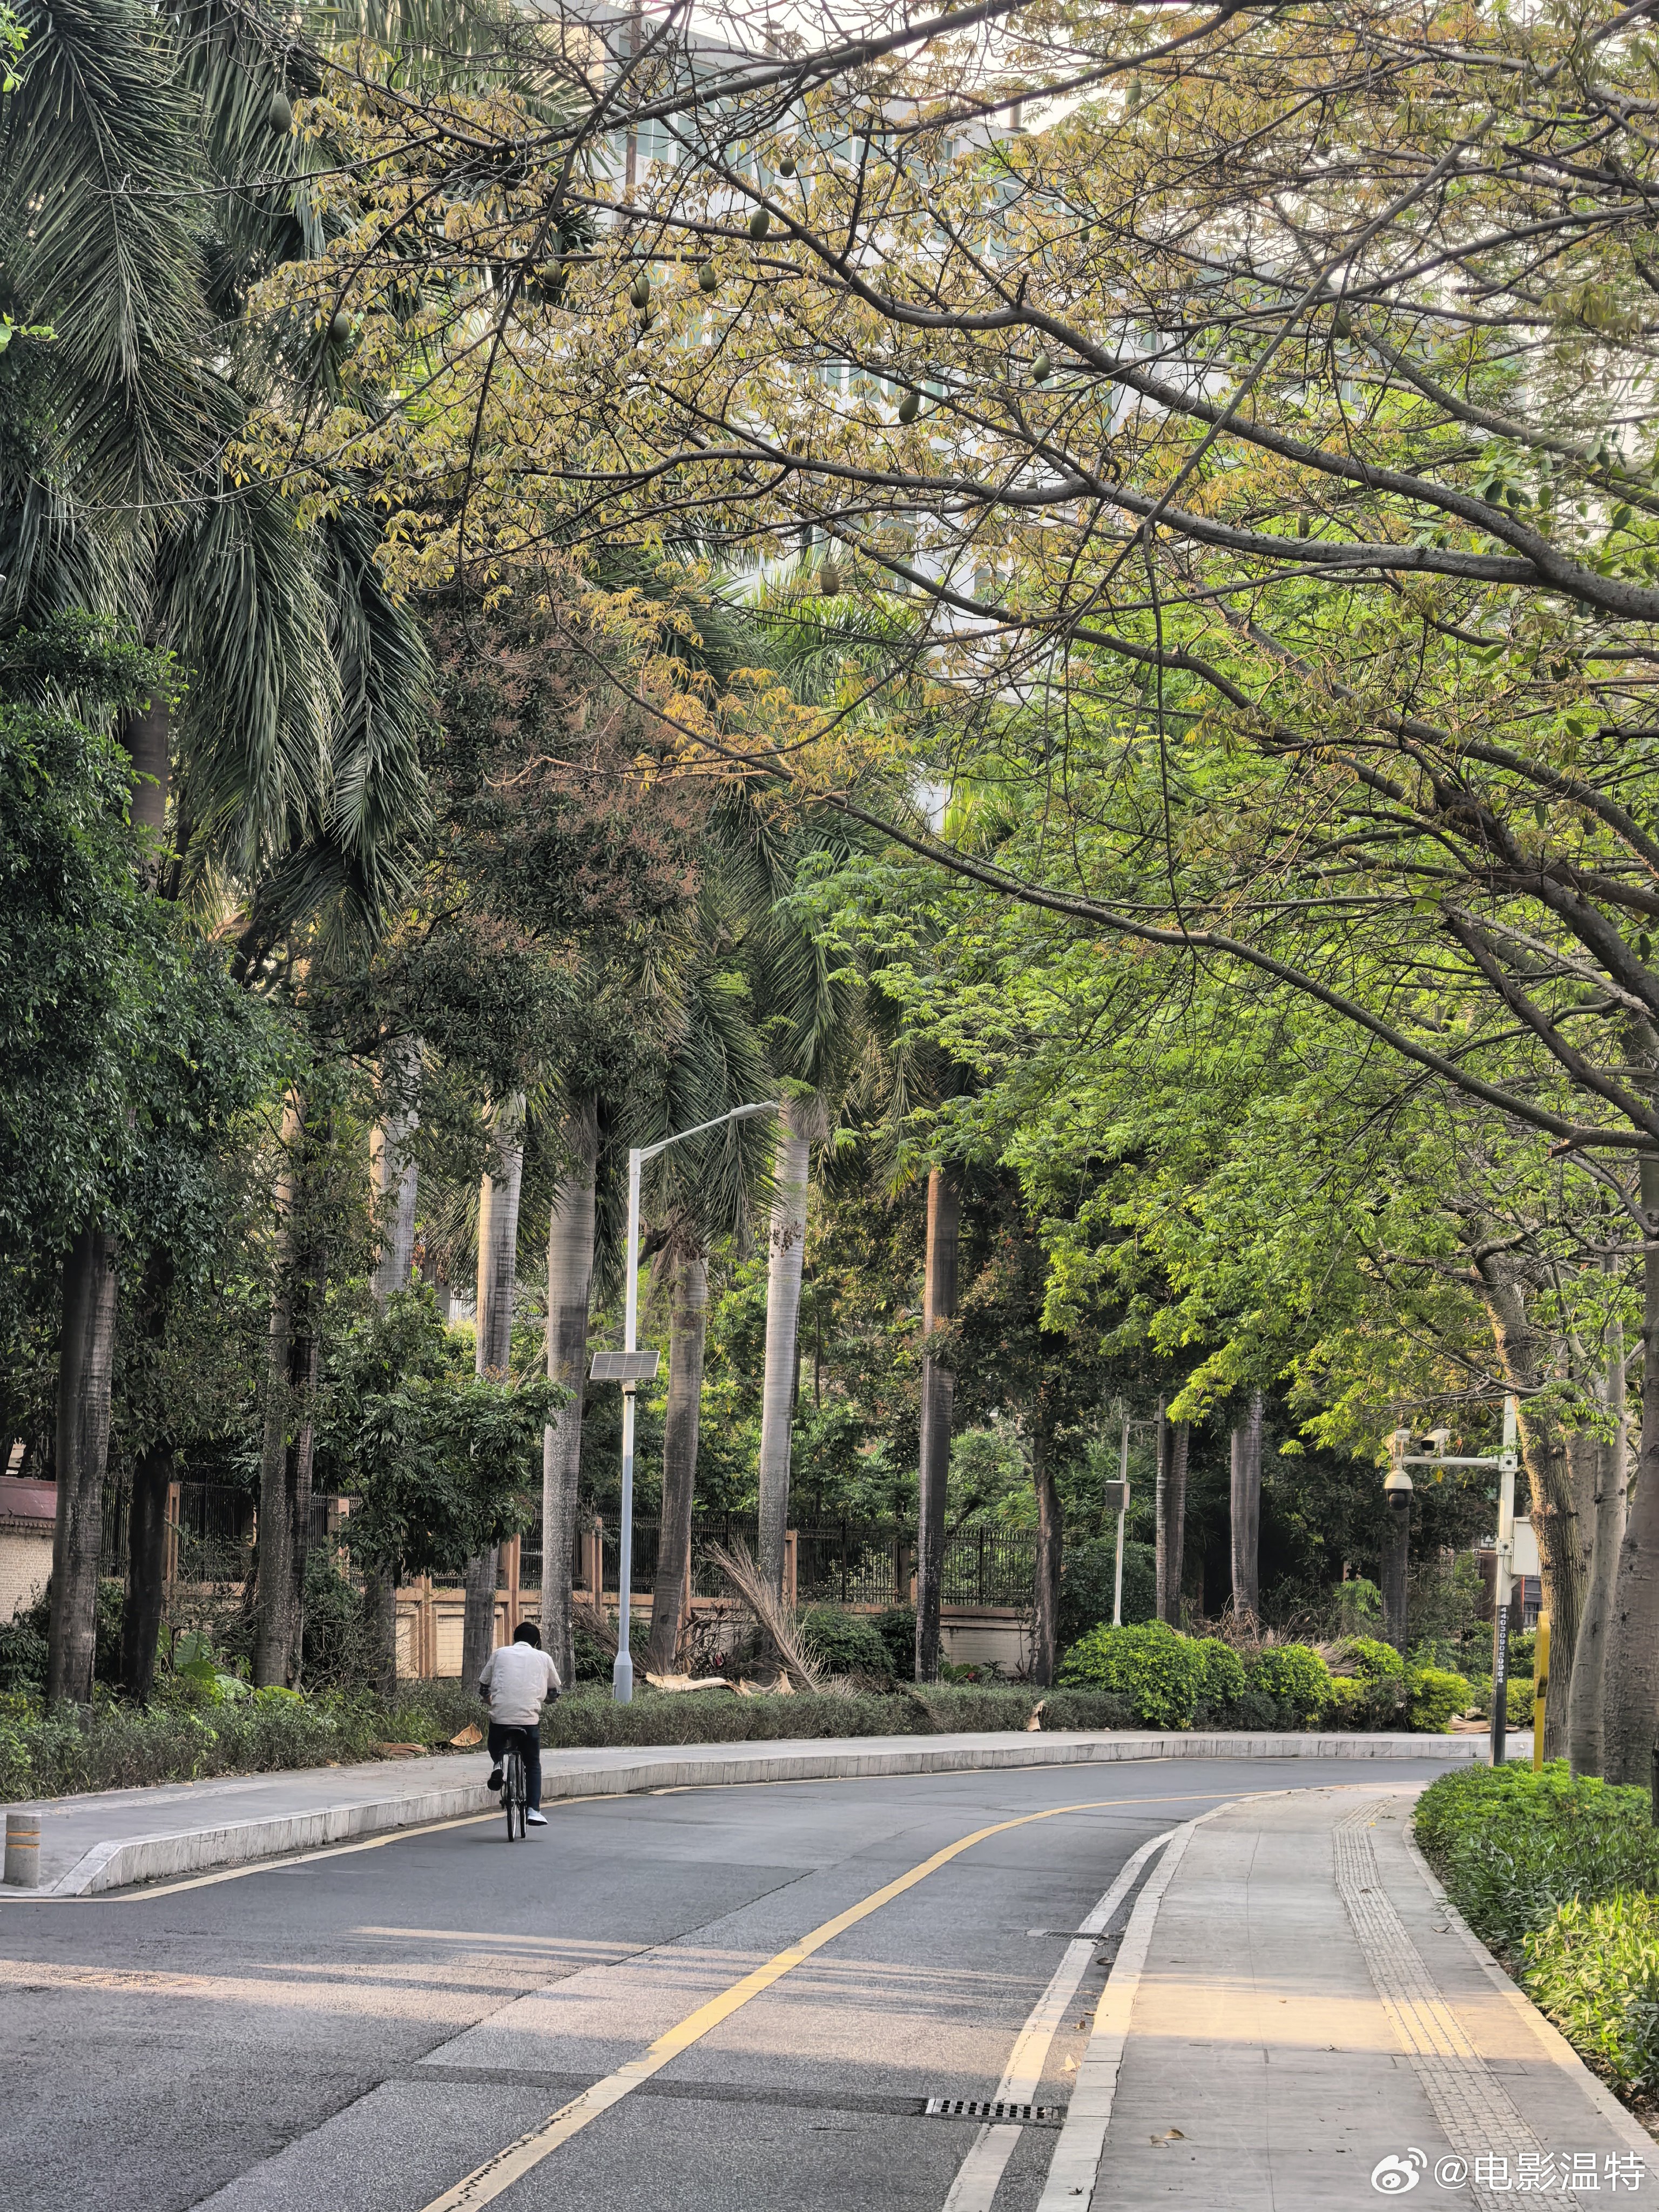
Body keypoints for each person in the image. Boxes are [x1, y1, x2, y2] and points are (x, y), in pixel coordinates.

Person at [478, 1621, 561, 1827]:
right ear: (537, 1642)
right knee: (532, 1763)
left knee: (496, 1742)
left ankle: (498, 1764)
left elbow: (483, 1686)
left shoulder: (500, 1654)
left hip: (501, 1717)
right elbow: (554, 1691)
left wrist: (489, 1699)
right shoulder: (544, 1658)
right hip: (529, 1721)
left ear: (514, 1639)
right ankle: (534, 1810)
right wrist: (547, 1700)